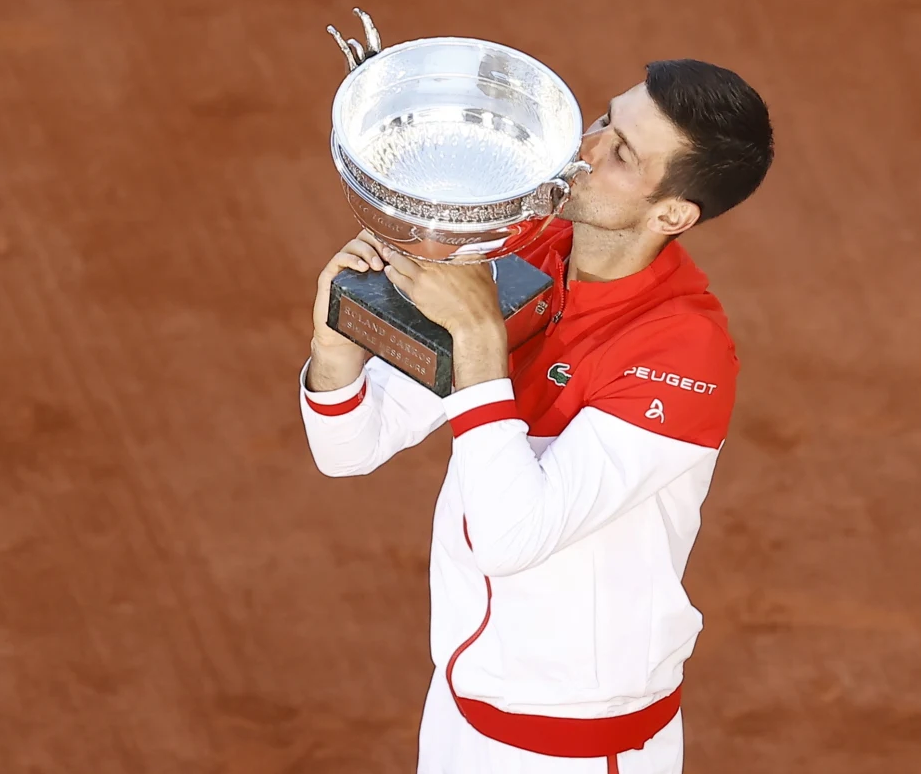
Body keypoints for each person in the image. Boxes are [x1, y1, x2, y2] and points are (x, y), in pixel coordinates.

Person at [298, 59, 774, 774]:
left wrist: (481, 347)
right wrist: (335, 350)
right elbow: (350, 447)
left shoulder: (682, 350)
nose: (585, 149)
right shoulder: (529, 251)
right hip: (460, 718)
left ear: (672, 214)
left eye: (621, 155)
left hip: (577, 752)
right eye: (605, 119)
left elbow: (511, 535)